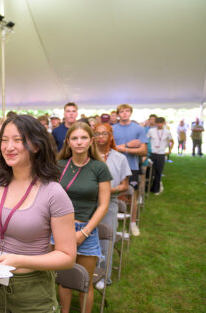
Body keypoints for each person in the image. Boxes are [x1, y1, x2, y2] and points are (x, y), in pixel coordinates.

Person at [0, 114, 76, 313]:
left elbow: (67, 256)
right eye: (4, 140)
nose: (8, 147)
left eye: (18, 140)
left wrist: (19, 260)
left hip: (32, 290)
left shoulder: (53, 193)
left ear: (36, 146)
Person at [57, 122, 111, 313]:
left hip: (86, 231)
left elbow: (103, 205)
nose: (79, 142)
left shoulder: (99, 168)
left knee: (84, 284)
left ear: (91, 141)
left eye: (83, 138)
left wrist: (85, 232)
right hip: (60, 229)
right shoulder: (59, 165)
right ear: (68, 142)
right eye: (74, 138)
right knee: (64, 281)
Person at [93, 122, 131, 289]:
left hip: (110, 202)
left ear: (111, 136)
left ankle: (103, 276)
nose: (101, 137)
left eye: (104, 133)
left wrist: (106, 190)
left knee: (105, 240)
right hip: (88, 202)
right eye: (97, 133)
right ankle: (84, 273)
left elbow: (125, 185)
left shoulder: (120, 158)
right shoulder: (88, 156)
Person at [112, 104, 147, 236]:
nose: (125, 113)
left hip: (132, 167)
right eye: (122, 111)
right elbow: (108, 148)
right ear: (118, 114)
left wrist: (123, 149)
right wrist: (128, 145)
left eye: (127, 111)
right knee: (113, 193)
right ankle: (113, 221)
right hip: (114, 166)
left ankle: (132, 223)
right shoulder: (112, 128)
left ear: (131, 113)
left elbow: (143, 150)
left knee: (132, 195)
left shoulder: (138, 129)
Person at [147, 117, 173, 195]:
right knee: (150, 172)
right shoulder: (151, 131)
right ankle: (148, 188)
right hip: (152, 153)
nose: (159, 124)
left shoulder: (167, 132)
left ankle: (156, 189)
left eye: (161, 123)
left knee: (158, 172)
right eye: (158, 123)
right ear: (155, 123)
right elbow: (146, 140)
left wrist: (170, 150)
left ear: (164, 123)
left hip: (161, 154)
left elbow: (171, 141)